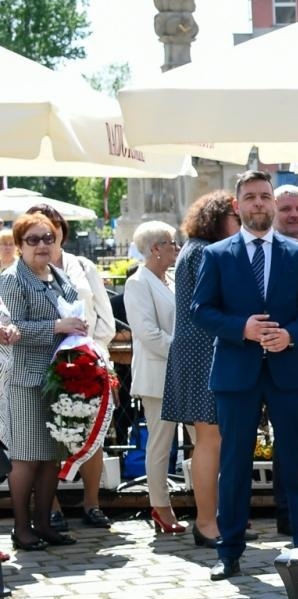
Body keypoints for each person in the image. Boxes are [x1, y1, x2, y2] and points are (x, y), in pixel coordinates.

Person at [191, 169, 298, 580]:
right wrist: (241, 328)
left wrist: (291, 335)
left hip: (288, 372)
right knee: (233, 464)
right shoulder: (216, 255)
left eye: (265, 196)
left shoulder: (297, 254)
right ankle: (228, 551)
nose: (259, 204)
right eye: (251, 197)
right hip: (236, 373)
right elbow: (200, 310)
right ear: (238, 204)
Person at [25, 205, 116, 531]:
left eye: (50, 231)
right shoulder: (22, 270)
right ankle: (52, 506)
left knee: (92, 435)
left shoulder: (83, 266)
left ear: (61, 231)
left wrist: (89, 350)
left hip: (85, 363)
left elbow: (104, 317)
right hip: (40, 364)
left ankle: (92, 504)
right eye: (35, 234)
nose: (44, 239)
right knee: (43, 438)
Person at [1, 212, 81, 550]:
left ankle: (44, 523)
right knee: (26, 457)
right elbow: (13, 328)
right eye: (33, 240)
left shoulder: (58, 276)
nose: (42, 245)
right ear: (19, 246)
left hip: (57, 376)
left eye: (48, 238)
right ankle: (21, 528)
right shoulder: (12, 280)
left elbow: (74, 311)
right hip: (24, 379)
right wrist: (58, 327)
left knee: (51, 455)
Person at [163, 191, 237, 548]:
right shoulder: (206, 251)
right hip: (203, 353)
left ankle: (216, 519)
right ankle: (207, 523)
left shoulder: (193, 248)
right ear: (220, 219)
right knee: (210, 441)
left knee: (210, 441)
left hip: (196, 352)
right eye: (234, 219)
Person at [124, 220, 187, 535]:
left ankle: (207, 501)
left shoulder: (171, 280)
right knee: (161, 445)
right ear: (154, 249)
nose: (177, 248)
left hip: (182, 374)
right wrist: (183, 353)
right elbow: (147, 332)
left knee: (201, 438)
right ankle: (161, 506)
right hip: (158, 373)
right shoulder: (138, 283)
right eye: (171, 242)